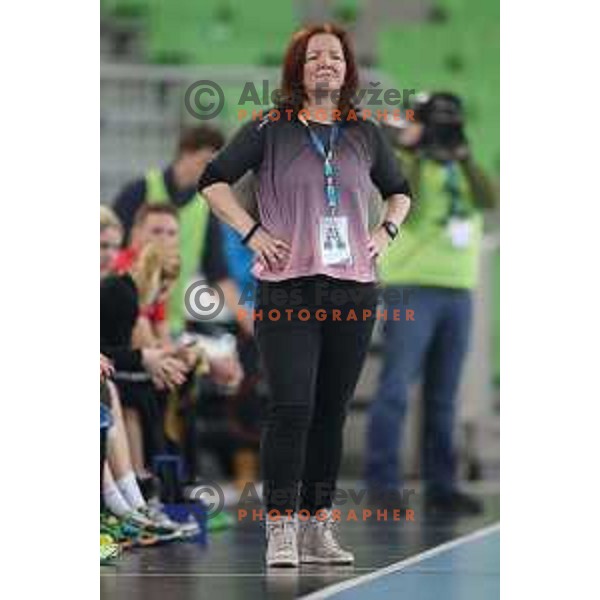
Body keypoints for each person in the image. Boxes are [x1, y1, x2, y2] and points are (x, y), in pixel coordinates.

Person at [198, 23, 411, 567]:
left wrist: (385, 231)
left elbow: (400, 192)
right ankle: (282, 529)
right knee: (291, 407)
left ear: (347, 69)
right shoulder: (270, 126)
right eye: (314, 56)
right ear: (298, 68)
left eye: (334, 57)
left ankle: (319, 526)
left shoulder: (364, 130)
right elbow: (213, 180)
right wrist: (251, 232)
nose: (325, 64)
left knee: (330, 413)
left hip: (353, 289)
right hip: (287, 286)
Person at [365, 92, 498, 515]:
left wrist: (463, 151)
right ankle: (383, 486)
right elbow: (410, 201)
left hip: (459, 289)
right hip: (411, 285)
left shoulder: (462, 164)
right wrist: (411, 147)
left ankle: (443, 485)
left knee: (444, 395)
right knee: (396, 388)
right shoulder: (405, 163)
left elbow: (488, 199)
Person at [113, 126, 249, 336]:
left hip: (170, 324)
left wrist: (251, 324)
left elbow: (218, 274)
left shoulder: (205, 208)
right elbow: (111, 257)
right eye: (204, 162)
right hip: (130, 323)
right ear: (185, 153)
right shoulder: (138, 192)